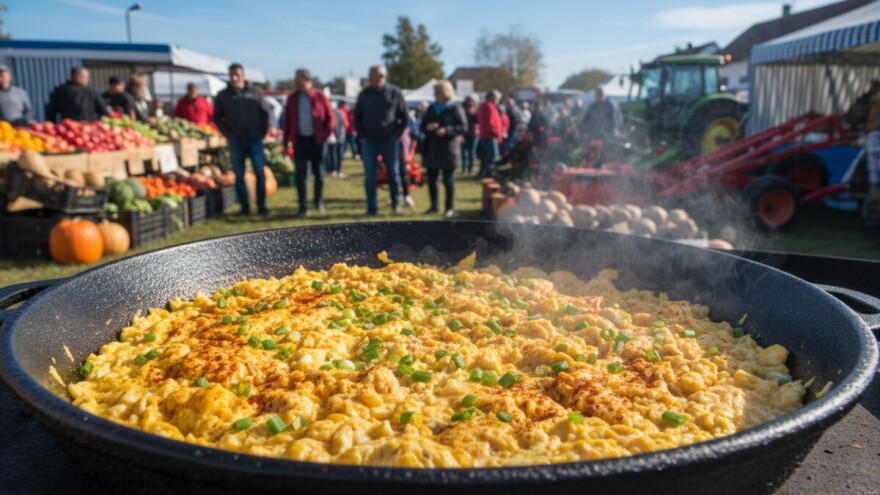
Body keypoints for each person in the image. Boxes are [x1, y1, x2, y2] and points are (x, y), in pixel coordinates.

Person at [214, 63, 271, 216]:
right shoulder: (223, 95)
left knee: (259, 171)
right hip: (236, 140)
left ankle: (261, 205)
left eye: (237, 75)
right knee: (239, 174)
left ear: (243, 76)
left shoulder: (254, 92)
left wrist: (262, 131)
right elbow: (217, 117)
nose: (234, 78)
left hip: (255, 139)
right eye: (231, 75)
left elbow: (265, 113)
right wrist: (228, 133)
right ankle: (244, 206)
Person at [353, 64, 409, 215]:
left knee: (394, 174)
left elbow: (404, 118)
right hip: (369, 142)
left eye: (375, 77)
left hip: (390, 141)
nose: (372, 80)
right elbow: (357, 117)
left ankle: (396, 203)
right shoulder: (364, 94)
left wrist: (396, 135)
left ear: (382, 77)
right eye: (370, 77)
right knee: (370, 176)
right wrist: (363, 136)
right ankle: (372, 208)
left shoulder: (395, 93)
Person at [281, 68, 335, 217]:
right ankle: (303, 206)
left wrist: (324, 136)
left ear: (308, 80)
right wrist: (286, 141)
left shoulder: (320, 96)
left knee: (319, 174)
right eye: (296, 79)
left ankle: (318, 201)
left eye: (299, 79)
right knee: (300, 174)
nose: (296, 82)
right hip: (300, 141)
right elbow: (287, 122)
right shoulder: (292, 98)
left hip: (317, 141)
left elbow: (331, 118)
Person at [421, 80, 467, 218]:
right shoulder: (431, 108)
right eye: (435, 92)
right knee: (431, 179)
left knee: (448, 179)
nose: (435, 94)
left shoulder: (455, 108)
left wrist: (447, 130)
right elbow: (422, 126)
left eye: (437, 92)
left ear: (445, 92)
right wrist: (429, 127)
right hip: (432, 148)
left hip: (448, 149)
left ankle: (449, 207)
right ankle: (434, 206)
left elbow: (463, 127)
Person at [476, 90, 502, 177]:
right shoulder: (489, 106)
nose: (498, 101)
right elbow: (489, 123)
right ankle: (489, 174)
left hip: (486, 135)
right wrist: (495, 133)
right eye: (498, 99)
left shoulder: (485, 106)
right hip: (490, 136)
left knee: (486, 157)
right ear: (492, 97)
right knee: (491, 157)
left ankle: (484, 173)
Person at [328, 100, 347, 177]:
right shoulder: (339, 113)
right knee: (335, 154)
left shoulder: (337, 114)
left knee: (335, 154)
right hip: (335, 137)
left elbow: (341, 126)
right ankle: (335, 169)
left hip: (337, 137)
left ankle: (336, 169)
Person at [461, 96, 478, 175]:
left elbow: (478, 121)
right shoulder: (462, 110)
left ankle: (470, 169)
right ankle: (464, 169)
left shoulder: (475, 110)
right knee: (464, 153)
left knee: (471, 153)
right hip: (464, 134)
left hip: (473, 134)